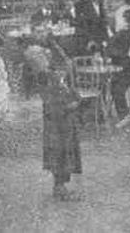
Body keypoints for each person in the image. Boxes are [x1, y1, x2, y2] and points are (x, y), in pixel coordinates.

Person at [35, 53, 82, 201]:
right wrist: (68, 107)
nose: (62, 73)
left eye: (64, 70)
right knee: (58, 157)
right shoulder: (51, 86)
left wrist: (76, 101)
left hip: (67, 126)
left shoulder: (65, 83)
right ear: (52, 70)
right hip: (57, 128)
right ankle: (58, 186)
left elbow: (76, 95)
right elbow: (50, 107)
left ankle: (62, 186)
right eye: (59, 70)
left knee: (67, 156)